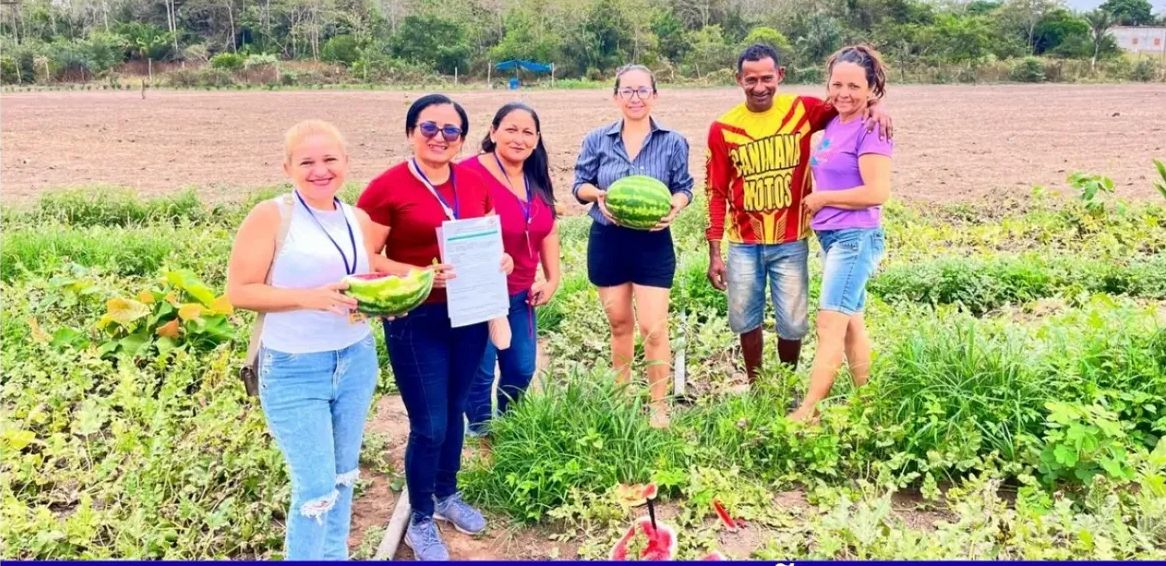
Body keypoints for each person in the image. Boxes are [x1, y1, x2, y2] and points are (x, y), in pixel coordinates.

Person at [356, 94, 514, 561]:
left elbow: (486, 238)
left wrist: (498, 259)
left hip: (467, 312)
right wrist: (421, 273)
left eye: (451, 131)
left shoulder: (474, 181)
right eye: (429, 128)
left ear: (463, 139)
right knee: (429, 424)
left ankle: (446, 495)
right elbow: (368, 259)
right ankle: (420, 518)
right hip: (416, 318)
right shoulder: (385, 189)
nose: (439, 138)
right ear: (410, 133)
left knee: (457, 410)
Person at [226, 119, 387, 560]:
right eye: (307, 161)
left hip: (355, 359)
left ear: (346, 163)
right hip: (295, 367)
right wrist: (309, 299)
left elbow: (372, 269)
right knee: (315, 487)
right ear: (288, 167)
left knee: (343, 476)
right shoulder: (272, 215)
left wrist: (427, 276)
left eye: (330, 159)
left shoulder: (357, 217)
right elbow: (239, 291)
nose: (320, 170)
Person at [705, 43, 891, 386]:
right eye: (751, 80)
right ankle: (759, 387)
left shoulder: (802, 111)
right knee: (746, 319)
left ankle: (786, 386)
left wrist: (876, 107)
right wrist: (715, 250)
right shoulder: (724, 128)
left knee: (793, 322)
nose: (759, 87)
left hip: (792, 240)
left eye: (766, 78)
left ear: (780, 76)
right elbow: (716, 192)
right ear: (738, 79)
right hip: (744, 242)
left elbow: (846, 100)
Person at [572, 64, 694, 429]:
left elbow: (685, 187)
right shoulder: (597, 139)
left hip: (653, 242)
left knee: (654, 328)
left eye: (642, 90)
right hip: (608, 239)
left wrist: (676, 205)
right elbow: (579, 185)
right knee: (620, 324)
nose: (635, 98)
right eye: (627, 91)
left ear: (654, 95)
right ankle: (621, 399)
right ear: (616, 97)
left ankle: (659, 406)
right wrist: (598, 194)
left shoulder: (673, 141)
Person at [790, 45, 893, 422]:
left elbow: (877, 192)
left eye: (854, 86)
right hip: (834, 238)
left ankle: (808, 410)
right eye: (837, 85)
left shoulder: (872, 128)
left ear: (871, 88)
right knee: (851, 323)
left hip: (855, 237)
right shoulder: (835, 121)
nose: (844, 93)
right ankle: (867, 404)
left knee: (829, 323)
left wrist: (821, 198)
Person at [462, 102, 561, 437]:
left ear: (536, 139)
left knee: (521, 368)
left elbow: (548, 226)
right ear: (493, 132)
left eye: (527, 132)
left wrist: (552, 277)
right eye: (511, 129)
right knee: (480, 372)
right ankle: (480, 432)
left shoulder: (535, 175)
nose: (519, 138)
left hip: (521, 293)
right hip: (478, 295)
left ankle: (509, 426)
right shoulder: (468, 173)